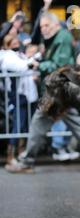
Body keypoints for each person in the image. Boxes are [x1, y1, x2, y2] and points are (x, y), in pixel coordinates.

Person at [5, 12, 80, 173]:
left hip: (57, 90)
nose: (44, 29)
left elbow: (61, 64)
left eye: (46, 25)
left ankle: (27, 161)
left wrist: (39, 65)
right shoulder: (58, 38)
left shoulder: (62, 37)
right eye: (42, 26)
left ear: (55, 25)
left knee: (39, 122)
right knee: (75, 124)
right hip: (59, 89)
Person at [0, 35, 38, 169]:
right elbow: (22, 67)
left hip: (28, 95)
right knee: (18, 125)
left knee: (26, 124)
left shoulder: (19, 54)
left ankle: (21, 152)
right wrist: (31, 62)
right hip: (18, 95)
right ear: (7, 45)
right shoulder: (6, 56)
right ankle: (11, 156)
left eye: (17, 41)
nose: (16, 42)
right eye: (13, 41)